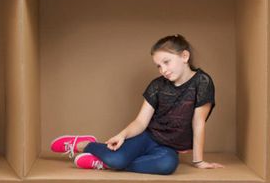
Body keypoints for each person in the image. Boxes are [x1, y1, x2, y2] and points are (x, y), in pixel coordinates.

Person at [50, 34, 221, 175]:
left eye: (166, 62)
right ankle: (85, 145)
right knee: (116, 158)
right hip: (148, 137)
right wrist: (122, 135)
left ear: (185, 56)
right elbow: (141, 122)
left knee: (167, 165)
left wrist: (198, 161)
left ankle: (106, 163)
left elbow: (198, 123)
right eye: (158, 66)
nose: (163, 70)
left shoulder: (202, 82)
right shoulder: (157, 85)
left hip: (169, 148)